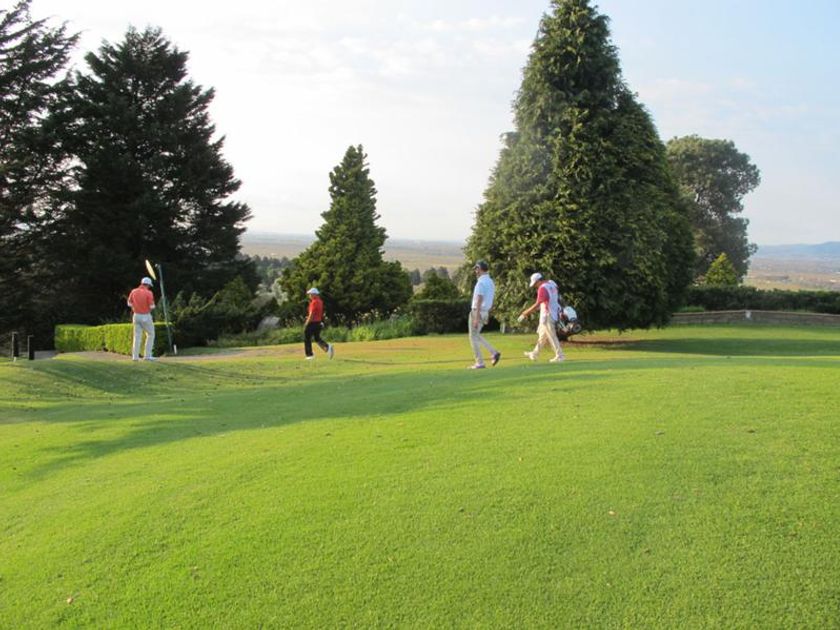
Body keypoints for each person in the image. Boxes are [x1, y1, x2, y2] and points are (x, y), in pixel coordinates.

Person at [517, 272, 565, 363]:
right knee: (542, 336)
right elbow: (554, 295)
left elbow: (537, 304)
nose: (535, 286)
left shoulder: (542, 288)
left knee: (552, 335)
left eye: (535, 284)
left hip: (547, 314)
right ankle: (534, 354)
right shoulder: (552, 283)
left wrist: (525, 313)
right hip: (553, 311)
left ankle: (560, 356)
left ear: (539, 281)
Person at [468, 260, 501, 369]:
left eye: (476, 269)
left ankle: (480, 362)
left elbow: (479, 299)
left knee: (473, 337)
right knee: (476, 335)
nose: (475, 271)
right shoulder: (490, 282)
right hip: (485, 311)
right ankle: (494, 352)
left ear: (480, 269)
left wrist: (476, 317)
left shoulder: (481, 282)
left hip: (477, 311)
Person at [127, 276, 156, 361]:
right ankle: (147, 356)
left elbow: (129, 303)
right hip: (145, 316)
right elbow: (152, 306)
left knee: (137, 336)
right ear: (148, 285)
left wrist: (135, 306)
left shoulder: (133, 291)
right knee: (151, 334)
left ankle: (135, 357)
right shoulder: (149, 293)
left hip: (136, 315)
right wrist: (152, 306)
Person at [303, 287, 334, 360]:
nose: (309, 296)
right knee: (317, 338)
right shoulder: (320, 301)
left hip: (312, 322)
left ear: (314, 294)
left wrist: (307, 322)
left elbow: (311, 314)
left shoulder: (314, 302)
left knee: (307, 338)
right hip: (318, 322)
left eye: (310, 294)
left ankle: (309, 355)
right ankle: (327, 347)